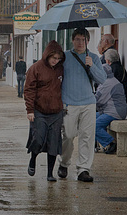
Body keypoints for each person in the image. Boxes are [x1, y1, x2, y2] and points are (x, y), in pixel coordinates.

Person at [57, 27, 106, 182]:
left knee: (87, 137)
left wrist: (91, 66)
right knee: (69, 135)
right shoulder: (65, 57)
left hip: (88, 103)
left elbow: (102, 79)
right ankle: (64, 163)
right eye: (77, 39)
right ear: (73, 40)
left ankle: (83, 169)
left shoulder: (94, 58)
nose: (80, 43)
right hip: (69, 103)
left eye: (83, 40)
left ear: (88, 41)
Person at [24, 41, 65, 182]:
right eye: (53, 58)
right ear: (47, 55)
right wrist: (30, 110)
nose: (56, 61)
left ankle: (50, 173)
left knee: (54, 142)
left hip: (56, 111)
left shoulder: (61, 69)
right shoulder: (36, 68)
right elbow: (29, 90)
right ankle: (33, 158)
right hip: (39, 110)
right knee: (38, 138)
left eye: (58, 58)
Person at [95, 63, 127, 154]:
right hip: (111, 110)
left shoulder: (107, 83)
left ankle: (110, 143)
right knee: (89, 118)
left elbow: (99, 101)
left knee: (94, 125)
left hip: (114, 112)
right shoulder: (111, 80)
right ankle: (97, 145)